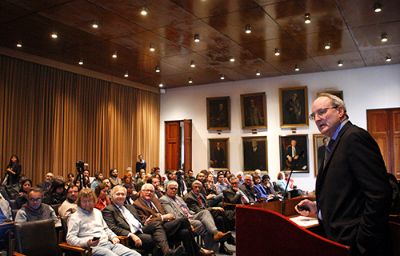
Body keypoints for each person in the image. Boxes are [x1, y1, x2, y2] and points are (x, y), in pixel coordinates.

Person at [296, 93, 392, 256]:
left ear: (340, 111)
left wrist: (362, 239)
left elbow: (379, 194)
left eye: (322, 112)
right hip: (338, 241)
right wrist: (318, 209)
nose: (317, 119)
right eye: (314, 115)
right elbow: (346, 192)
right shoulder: (334, 142)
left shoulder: (354, 137)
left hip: (356, 245)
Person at [133, 184, 214, 256]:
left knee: (185, 232)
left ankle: (194, 253)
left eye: (151, 191)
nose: (149, 193)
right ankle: (199, 249)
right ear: (141, 192)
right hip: (154, 229)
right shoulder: (137, 204)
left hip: (166, 225)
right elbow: (146, 222)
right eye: (146, 191)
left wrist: (166, 217)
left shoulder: (155, 200)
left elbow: (166, 214)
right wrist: (163, 217)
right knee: (183, 220)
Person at [103, 185, 184, 256]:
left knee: (156, 224)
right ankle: (167, 252)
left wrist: (145, 222)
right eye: (118, 194)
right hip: (130, 235)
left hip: (141, 229)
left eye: (123, 194)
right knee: (155, 240)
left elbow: (137, 222)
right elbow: (113, 228)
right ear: (112, 196)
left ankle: (167, 252)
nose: (120, 196)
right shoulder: (108, 209)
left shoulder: (129, 207)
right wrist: (131, 235)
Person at [66, 188, 140, 256]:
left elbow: (105, 228)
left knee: (135, 254)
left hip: (109, 243)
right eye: (84, 201)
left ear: (94, 200)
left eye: (90, 201)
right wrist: (86, 242)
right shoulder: (74, 217)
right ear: (79, 202)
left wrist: (113, 236)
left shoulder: (97, 212)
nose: (88, 204)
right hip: (92, 248)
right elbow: (70, 238)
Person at [160, 181, 230, 251]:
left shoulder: (178, 198)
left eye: (175, 189)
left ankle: (216, 233)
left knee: (205, 212)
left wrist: (192, 214)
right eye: (171, 188)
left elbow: (187, 209)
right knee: (203, 225)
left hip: (190, 215)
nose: (174, 190)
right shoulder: (164, 199)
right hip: (182, 220)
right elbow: (173, 215)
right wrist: (187, 221)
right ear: (166, 189)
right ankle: (211, 250)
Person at [184, 180, 235, 255]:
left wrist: (212, 209)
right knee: (218, 214)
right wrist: (213, 208)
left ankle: (221, 245)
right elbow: (199, 211)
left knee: (220, 218)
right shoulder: (189, 197)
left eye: (199, 187)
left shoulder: (201, 195)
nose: (197, 189)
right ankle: (227, 240)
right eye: (196, 187)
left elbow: (206, 206)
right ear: (192, 187)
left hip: (206, 215)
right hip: (198, 215)